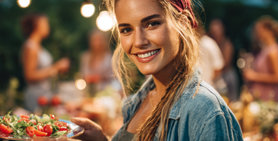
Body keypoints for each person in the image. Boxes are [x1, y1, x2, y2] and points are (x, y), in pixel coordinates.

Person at [71, 0, 243, 140]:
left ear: (182, 23)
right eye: (126, 29)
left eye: (152, 24)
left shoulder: (205, 111)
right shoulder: (138, 101)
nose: (138, 41)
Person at [21, 13, 70, 112]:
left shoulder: (37, 46)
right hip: (36, 96)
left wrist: (57, 69)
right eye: (45, 23)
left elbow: (44, 70)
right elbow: (29, 75)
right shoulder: (31, 47)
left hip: (44, 94)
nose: (48, 26)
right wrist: (56, 67)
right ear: (36, 25)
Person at [243, 15, 278, 102]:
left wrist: (254, 76)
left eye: (258, 31)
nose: (256, 34)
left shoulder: (274, 51)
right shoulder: (264, 49)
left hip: (269, 98)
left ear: (267, 31)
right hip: (259, 96)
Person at [209, 19, 239, 101]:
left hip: (227, 77)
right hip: (218, 76)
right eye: (213, 30)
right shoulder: (211, 43)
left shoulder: (227, 44)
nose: (214, 32)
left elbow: (226, 63)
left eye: (217, 30)